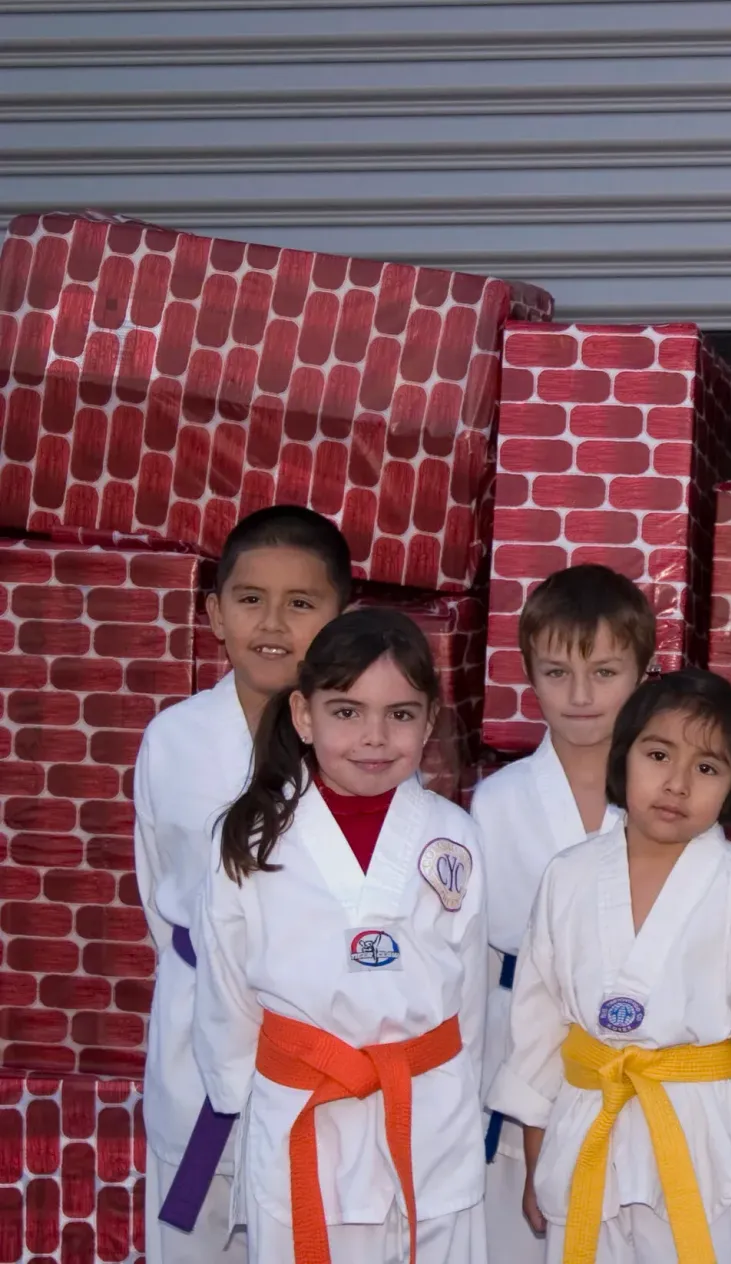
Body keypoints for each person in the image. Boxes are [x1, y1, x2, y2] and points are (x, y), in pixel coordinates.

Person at [194, 609, 490, 1264]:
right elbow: (226, 990)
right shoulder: (247, 837)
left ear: (431, 719)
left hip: (425, 1115)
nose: (375, 737)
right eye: (347, 712)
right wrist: (245, 1099)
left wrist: (456, 1088)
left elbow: (469, 995)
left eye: (401, 714)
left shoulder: (454, 834)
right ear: (304, 715)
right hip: (302, 1110)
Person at [487, 669, 731, 1263]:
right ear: (624, 755)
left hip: (699, 1133)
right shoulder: (568, 876)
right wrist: (538, 1161)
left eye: (707, 768)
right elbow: (536, 1033)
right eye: (658, 754)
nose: (677, 784)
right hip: (586, 1124)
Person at [134, 504, 354, 1261]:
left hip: (318, 1034)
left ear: (340, 619)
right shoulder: (173, 741)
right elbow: (160, 893)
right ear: (214, 614)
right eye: (250, 598)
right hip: (196, 1033)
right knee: (192, 1227)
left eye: (302, 603)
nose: (272, 622)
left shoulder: (363, 747)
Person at [469, 565, 657, 1263]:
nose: (580, 697)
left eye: (605, 672)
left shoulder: (670, 798)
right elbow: (470, 972)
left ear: (646, 670)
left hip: (643, 1065)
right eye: (556, 673)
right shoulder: (497, 802)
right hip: (520, 1071)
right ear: (528, 673)